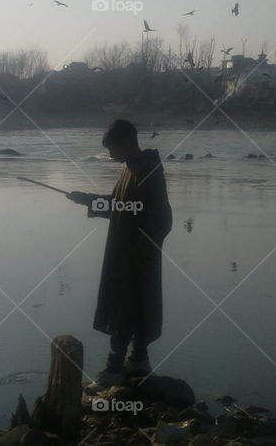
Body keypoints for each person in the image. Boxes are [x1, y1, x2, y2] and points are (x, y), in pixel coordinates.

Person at [66, 119, 172, 393]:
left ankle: (114, 370)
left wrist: (143, 251)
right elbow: (117, 206)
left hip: (137, 257)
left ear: (127, 142)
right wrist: (87, 199)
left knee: (126, 309)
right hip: (123, 253)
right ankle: (138, 362)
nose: (111, 154)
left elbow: (162, 219)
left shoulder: (148, 170)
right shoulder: (131, 169)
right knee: (132, 308)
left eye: (112, 148)